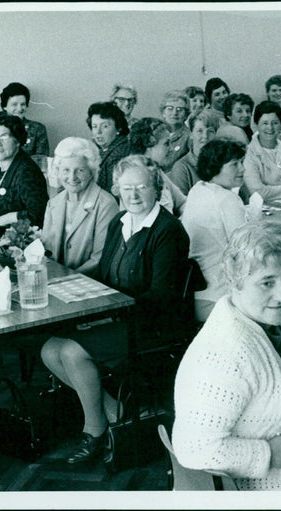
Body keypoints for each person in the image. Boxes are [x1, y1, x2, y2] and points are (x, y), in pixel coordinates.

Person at [41, 155, 191, 464]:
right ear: (118, 189)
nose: (133, 195)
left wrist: (109, 313)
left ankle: (94, 430)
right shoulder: (119, 223)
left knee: (71, 352)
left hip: (152, 324)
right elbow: (105, 275)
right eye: (126, 188)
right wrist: (74, 293)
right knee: (49, 350)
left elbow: (162, 297)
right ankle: (115, 411)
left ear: (157, 188)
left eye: (142, 187)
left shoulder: (168, 230)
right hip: (118, 315)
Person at [172, 221, 281, 490]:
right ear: (235, 281)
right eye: (266, 283)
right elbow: (193, 449)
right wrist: (268, 454)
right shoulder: (224, 352)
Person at [181, 140, 248, 321]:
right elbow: (246, 249)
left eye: (242, 162)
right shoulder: (228, 199)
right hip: (219, 298)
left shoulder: (197, 189)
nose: (242, 169)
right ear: (215, 167)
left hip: (192, 295)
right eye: (234, 164)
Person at [41, 137, 118, 276]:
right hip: (56, 280)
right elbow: (46, 250)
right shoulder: (54, 203)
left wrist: (65, 279)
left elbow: (99, 259)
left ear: (91, 172)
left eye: (80, 170)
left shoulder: (106, 204)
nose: (72, 177)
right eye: (66, 170)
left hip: (90, 284)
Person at [0, 112, 49, 239]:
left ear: (17, 140)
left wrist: (6, 219)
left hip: (22, 242)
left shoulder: (27, 171)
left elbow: (39, 215)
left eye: (4, 137)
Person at [127, 118, 187, 215]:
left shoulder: (156, 170)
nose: (171, 148)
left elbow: (182, 202)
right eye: (166, 143)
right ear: (149, 144)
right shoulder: (135, 178)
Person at [168, 110, 219, 195]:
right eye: (199, 131)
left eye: (210, 131)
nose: (205, 136)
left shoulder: (225, 162)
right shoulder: (182, 168)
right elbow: (182, 205)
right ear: (191, 134)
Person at [87, 101, 130, 193]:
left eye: (105, 126)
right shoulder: (95, 148)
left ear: (118, 128)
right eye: (94, 126)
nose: (98, 132)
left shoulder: (121, 152)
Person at [0, 82, 50, 157]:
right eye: (14, 104)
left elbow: (41, 160)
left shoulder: (38, 129)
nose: (20, 109)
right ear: (4, 106)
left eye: (23, 104)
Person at [159, 90, 191, 171]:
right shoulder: (155, 133)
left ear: (186, 115)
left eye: (179, 109)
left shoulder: (189, 137)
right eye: (170, 108)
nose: (174, 113)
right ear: (163, 112)